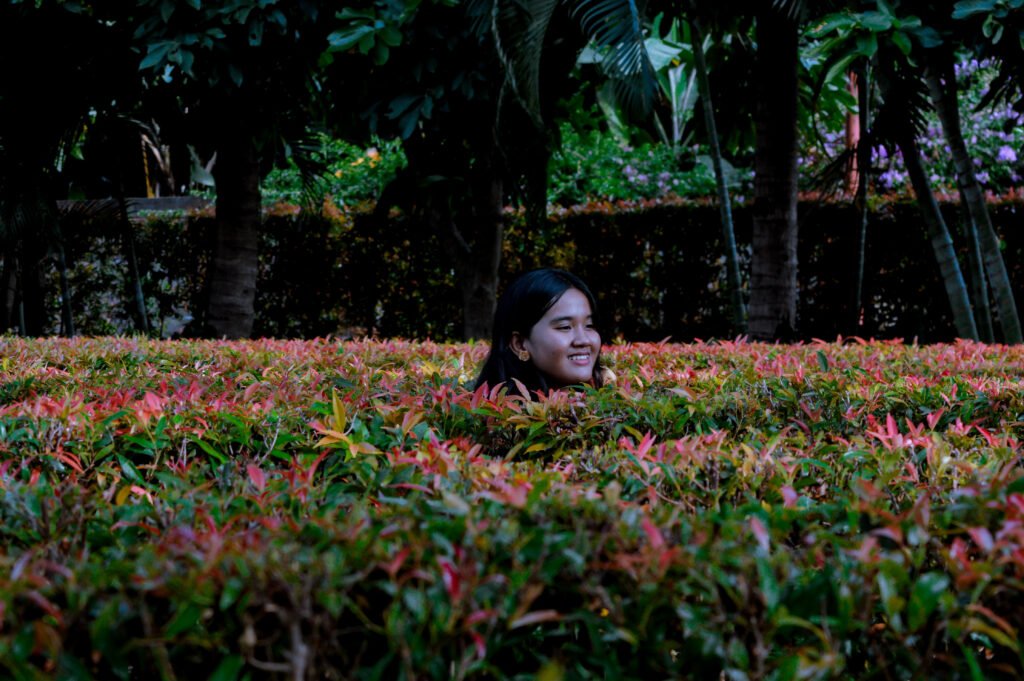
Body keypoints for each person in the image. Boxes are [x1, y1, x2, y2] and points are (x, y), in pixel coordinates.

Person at [474, 268, 613, 397]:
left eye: (589, 325)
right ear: (520, 344)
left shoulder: (609, 410)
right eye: (565, 327)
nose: (584, 340)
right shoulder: (498, 421)